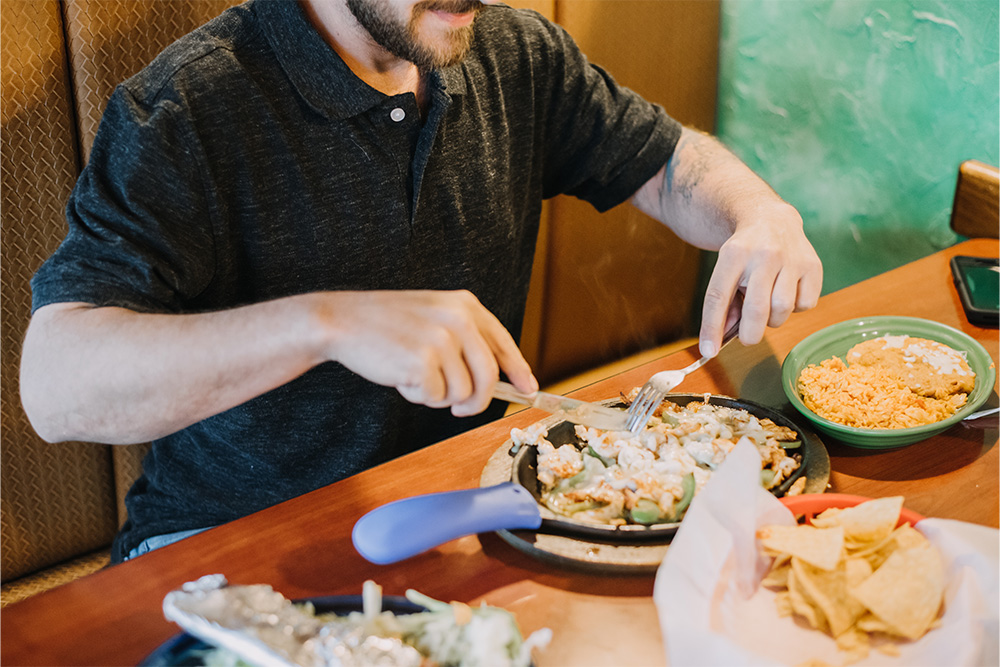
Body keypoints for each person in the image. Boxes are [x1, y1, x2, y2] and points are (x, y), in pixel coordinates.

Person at [19, 0, 822, 562]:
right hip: (227, 539)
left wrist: (758, 212)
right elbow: (57, 386)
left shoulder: (511, 52)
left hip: (466, 512)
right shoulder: (186, 109)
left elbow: (669, 164)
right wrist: (326, 323)